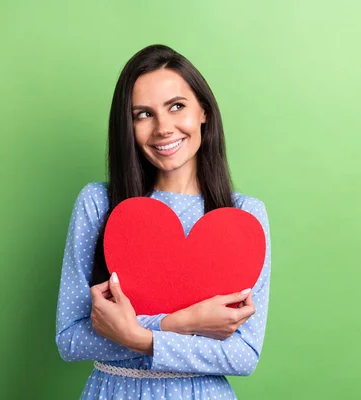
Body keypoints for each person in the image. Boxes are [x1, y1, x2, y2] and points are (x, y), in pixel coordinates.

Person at [55, 44, 272, 399]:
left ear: (203, 110)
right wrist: (183, 323)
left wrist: (138, 337)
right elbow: (71, 340)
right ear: (128, 125)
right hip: (114, 391)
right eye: (143, 114)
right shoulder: (98, 204)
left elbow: (243, 355)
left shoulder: (244, 216)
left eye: (176, 107)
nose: (163, 128)